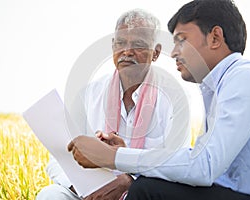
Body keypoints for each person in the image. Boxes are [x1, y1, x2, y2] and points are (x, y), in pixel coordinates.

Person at [68, 0, 250, 199]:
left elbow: (204, 166)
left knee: (146, 190)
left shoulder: (245, 78)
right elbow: (196, 162)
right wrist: (126, 157)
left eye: (182, 40)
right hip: (234, 192)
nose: (173, 52)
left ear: (215, 37)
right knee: (151, 185)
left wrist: (114, 156)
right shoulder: (219, 87)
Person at [36, 8, 190, 200]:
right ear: (112, 47)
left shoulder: (174, 99)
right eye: (120, 43)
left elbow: (178, 166)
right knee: (50, 195)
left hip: (142, 191)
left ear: (156, 52)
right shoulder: (88, 94)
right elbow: (58, 159)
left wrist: (130, 179)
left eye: (138, 44)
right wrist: (82, 189)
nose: (127, 51)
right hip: (89, 191)